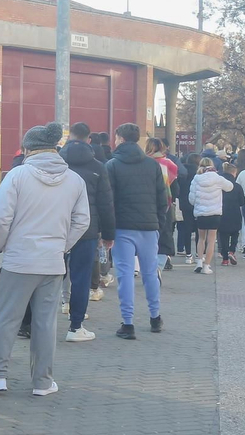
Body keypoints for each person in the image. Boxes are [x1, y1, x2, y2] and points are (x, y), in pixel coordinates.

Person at [0, 123, 89, 395]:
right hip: (52, 262)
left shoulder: (17, 176)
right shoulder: (75, 180)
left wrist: (0, 245)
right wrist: (62, 246)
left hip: (18, 260)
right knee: (45, 323)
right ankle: (43, 381)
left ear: (28, 148)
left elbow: (1, 218)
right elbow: (82, 221)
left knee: (6, 320)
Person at [106, 123, 169, 340]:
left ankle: (128, 323)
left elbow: (109, 201)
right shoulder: (152, 166)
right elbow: (162, 199)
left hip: (122, 227)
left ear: (121, 139)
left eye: (116, 138)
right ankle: (155, 317)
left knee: (124, 274)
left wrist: (108, 231)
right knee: (150, 272)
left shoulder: (112, 165)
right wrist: (158, 223)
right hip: (149, 227)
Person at [61, 125, 114, 342]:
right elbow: (105, 202)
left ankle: (38, 323)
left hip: (58, 227)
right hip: (87, 229)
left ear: (70, 136)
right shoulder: (97, 167)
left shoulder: (58, 163)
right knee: (81, 277)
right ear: (88, 139)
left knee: (50, 275)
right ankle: (76, 326)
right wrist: (108, 234)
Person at [190, 156, 232, 273]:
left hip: (200, 213)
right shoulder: (217, 178)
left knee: (201, 238)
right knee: (211, 240)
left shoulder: (196, 179)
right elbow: (230, 187)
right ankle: (206, 266)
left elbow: (191, 199)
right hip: (214, 213)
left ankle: (199, 261)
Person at [146, 138, 179, 271]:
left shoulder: (144, 163)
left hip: (147, 203)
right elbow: (175, 187)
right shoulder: (168, 163)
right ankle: (159, 266)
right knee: (164, 234)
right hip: (165, 202)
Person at [218, 161, 245, 266]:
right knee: (235, 233)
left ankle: (225, 259)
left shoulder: (219, 186)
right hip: (235, 213)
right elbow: (242, 202)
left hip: (221, 213)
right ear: (234, 173)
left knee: (223, 236)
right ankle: (232, 251)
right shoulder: (237, 186)